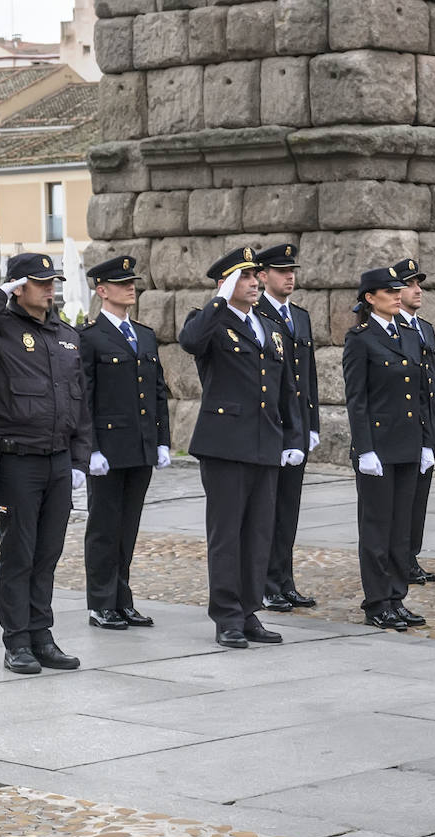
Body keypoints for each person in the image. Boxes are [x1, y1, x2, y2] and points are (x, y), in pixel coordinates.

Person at [0, 253, 91, 674]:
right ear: (17, 286)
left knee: (47, 553)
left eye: (54, 281)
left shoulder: (66, 335)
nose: (51, 288)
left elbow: (79, 402)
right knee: (18, 554)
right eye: (41, 281)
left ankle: (42, 635)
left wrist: (80, 461)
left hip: (59, 461)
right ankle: (17, 642)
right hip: (16, 462)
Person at [179, 247, 304, 648]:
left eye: (254, 277)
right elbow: (190, 342)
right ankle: (227, 616)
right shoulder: (210, 321)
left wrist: (293, 437)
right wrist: (218, 299)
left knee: (258, 534)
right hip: (226, 445)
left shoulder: (270, 326)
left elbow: (287, 389)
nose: (253, 283)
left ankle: (249, 611)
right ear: (226, 283)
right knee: (227, 534)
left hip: (265, 443)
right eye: (244, 278)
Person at [79, 255, 169, 631]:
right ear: (102, 290)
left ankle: (122, 599)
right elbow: (83, 398)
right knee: (104, 527)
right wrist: (91, 448)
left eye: (132, 281)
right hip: (108, 451)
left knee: (128, 526)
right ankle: (101, 603)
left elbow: (158, 393)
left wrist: (163, 440)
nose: (131, 286)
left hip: (140, 447)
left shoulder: (145, 335)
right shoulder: (89, 338)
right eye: (121, 283)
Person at [343, 266, 431, 631]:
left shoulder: (410, 335)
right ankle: (377, 601)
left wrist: (427, 441)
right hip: (378, 450)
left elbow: (423, 394)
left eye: (400, 290)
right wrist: (364, 449)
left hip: (408, 445)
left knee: (401, 531)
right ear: (370, 298)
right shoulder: (360, 339)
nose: (399, 295)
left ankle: (396, 597)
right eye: (389, 291)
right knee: (377, 529)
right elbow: (356, 399)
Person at [254, 244, 320, 613]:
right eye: (281, 271)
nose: (289, 276)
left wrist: (311, 424)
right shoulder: (257, 314)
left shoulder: (300, 316)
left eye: (292, 269)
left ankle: (284, 580)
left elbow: (306, 377)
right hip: (272, 426)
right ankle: (266, 582)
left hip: (298, 426)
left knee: (289, 510)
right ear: (263, 276)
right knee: (269, 510)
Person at [394, 258, 435, 585]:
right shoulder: (394, 327)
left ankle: (411, 555)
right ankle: (399, 559)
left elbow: (434, 382)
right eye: (411, 285)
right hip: (404, 427)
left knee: (419, 497)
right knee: (402, 500)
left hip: (426, 423)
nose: (418, 291)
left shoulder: (423, 327)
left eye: (419, 284)